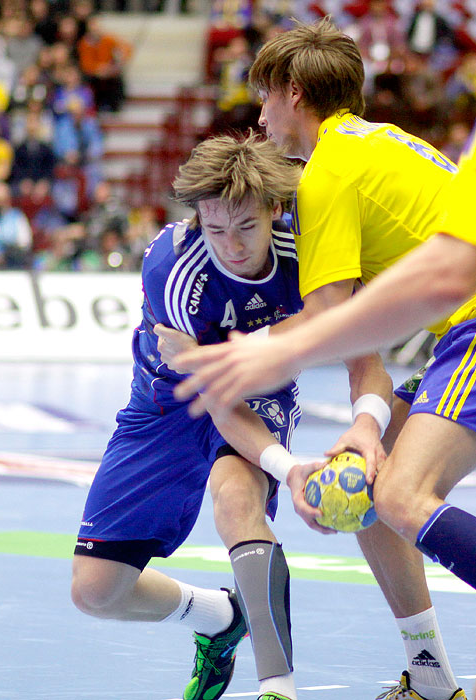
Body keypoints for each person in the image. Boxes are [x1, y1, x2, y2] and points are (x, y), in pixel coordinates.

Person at [173, 2, 476, 697]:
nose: (257, 113)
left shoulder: (326, 175)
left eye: (263, 94)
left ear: (292, 91)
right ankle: (431, 677)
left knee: (405, 494)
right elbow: (358, 330)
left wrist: (235, 351)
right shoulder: (372, 143)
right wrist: (365, 426)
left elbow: (326, 317)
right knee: (372, 498)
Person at [70, 132, 309, 700]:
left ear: (275, 209)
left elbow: (338, 324)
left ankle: (278, 686)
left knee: (235, 500)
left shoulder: (308, 247)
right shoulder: (174, 269)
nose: (231, 245)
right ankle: (220, 619)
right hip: (168, 403)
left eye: (247, 228)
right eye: (216, 228)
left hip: (257, 391)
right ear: (199, 216)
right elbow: (213, 401)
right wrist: (288, 466)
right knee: (95, 591)